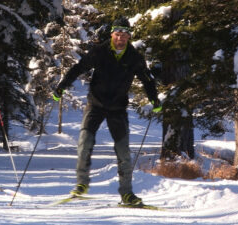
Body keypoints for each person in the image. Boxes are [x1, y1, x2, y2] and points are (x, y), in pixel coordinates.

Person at [53, 17, 162, 205]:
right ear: (112, 34)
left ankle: (127, 194)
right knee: (84, 142)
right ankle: (81, 185)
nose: (120, 38)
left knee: (123, 152)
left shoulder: (134, 57)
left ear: (129, 37)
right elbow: (79, 68)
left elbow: (147, 79)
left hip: (118, 107)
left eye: (124, 35)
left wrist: (154, 98)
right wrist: (62, 86)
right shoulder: (100, 51)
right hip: (95, 104)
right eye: (117, 34)